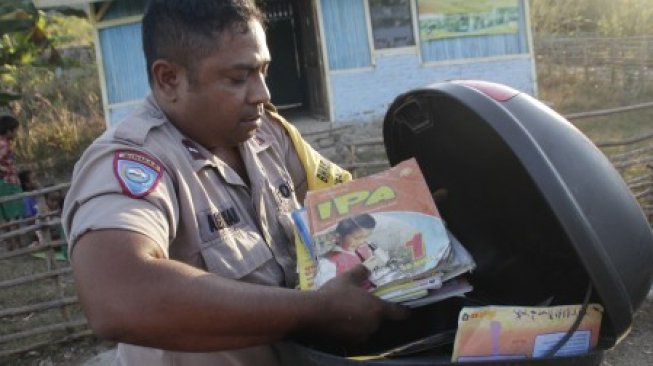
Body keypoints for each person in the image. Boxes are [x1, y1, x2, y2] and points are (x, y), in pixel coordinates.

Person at [62, 1, 408, 365]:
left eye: (263, 71)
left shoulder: (269, 136)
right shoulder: (134, 162)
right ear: (169, 79)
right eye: (238, 78)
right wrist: (315, 310)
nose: (262, 94)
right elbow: (119, 296)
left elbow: (347, 201)